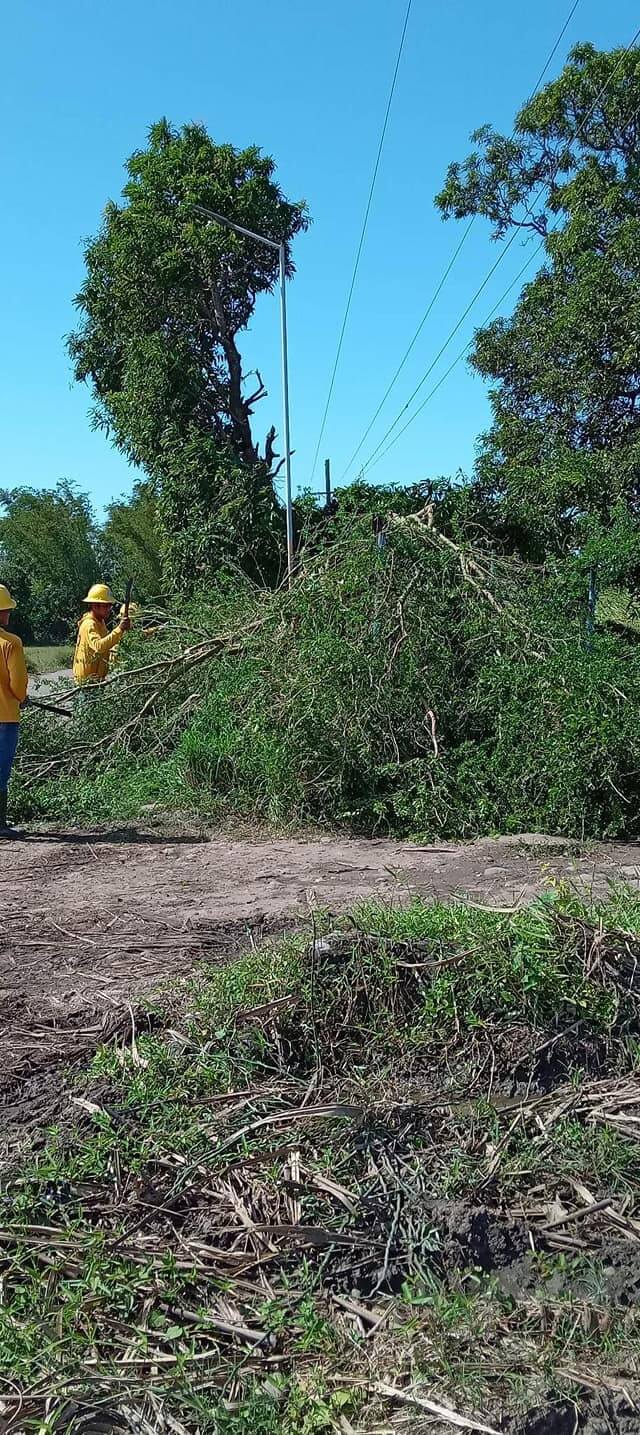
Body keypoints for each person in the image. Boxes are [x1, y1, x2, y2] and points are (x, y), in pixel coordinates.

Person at [0, 583, 28, 838]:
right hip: (5, 716)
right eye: (6, 609)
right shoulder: (11, 643)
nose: (9, 613)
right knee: (0, 771)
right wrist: (22, 697)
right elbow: (17, 683)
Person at [73, 584, 130, 689]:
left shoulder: (100, 622)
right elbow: (99, 646)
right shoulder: (89, 624)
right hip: (86, 684)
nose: (109, 608)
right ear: (95, 605)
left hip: (96, 681)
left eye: (109, 605)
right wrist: (119, 629)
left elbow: (107, 644)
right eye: (106, 605)